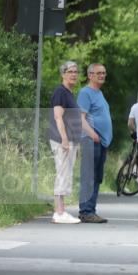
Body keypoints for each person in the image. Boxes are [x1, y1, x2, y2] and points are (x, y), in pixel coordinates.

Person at [49, 61, 97, 224]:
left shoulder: (69, 92)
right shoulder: (60, 92)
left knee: (66, 174)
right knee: (62, 174)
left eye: (76, 72)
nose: (74, 74)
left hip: (71, 140)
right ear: (63, 74)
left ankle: (61, 211)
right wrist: (64, 139)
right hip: (62, 140)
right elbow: (58, 116)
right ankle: (59, 212)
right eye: (70, 71)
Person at [77, 63, 111, 223]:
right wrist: (93, 135)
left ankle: (91, 210)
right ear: (90, 75)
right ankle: (85, 211)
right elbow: (80, 118)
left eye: (103, 73)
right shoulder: (85, 93)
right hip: (91, 141)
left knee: (96, 177)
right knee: (88, 177)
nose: (102, 75)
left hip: (100, 142)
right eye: (98, 73)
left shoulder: (99, 93)